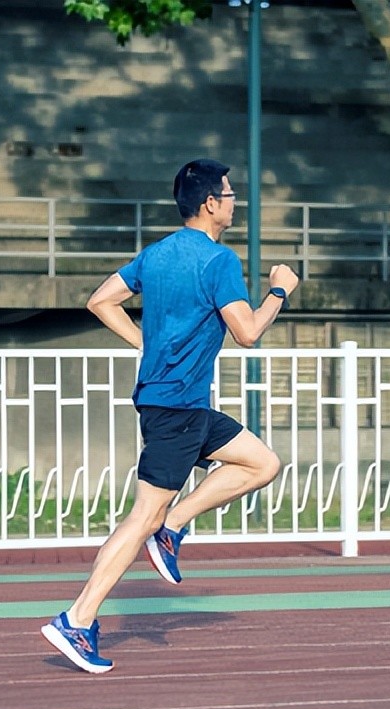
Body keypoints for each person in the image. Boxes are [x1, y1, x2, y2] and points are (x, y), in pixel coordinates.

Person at [41, 159, 300, 674]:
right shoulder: (218, 261)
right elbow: (247, 332)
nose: (233, 202)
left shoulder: (156, 255)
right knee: (141, 517)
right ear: (210, 204)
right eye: (228, 195)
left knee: (261, 463)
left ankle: (174, 526)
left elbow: (102, 300)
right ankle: (78, 618)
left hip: (182, 405)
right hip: (176, 408)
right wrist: (279, 291)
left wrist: (148, 342)